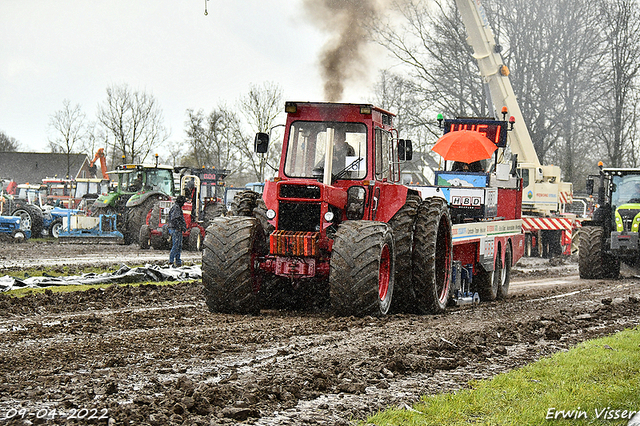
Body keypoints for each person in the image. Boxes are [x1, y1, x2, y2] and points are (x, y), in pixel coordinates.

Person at [168, 195, 187, 267]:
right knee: (176, 245)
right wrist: (179, 227)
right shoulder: (176, 208)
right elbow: (174, 219)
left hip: (176, 229)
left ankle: (178, 262)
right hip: (175, 229)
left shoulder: (176, 207)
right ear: (181, 202)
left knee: (178, 246)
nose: (184, 204)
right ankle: (171, 261)